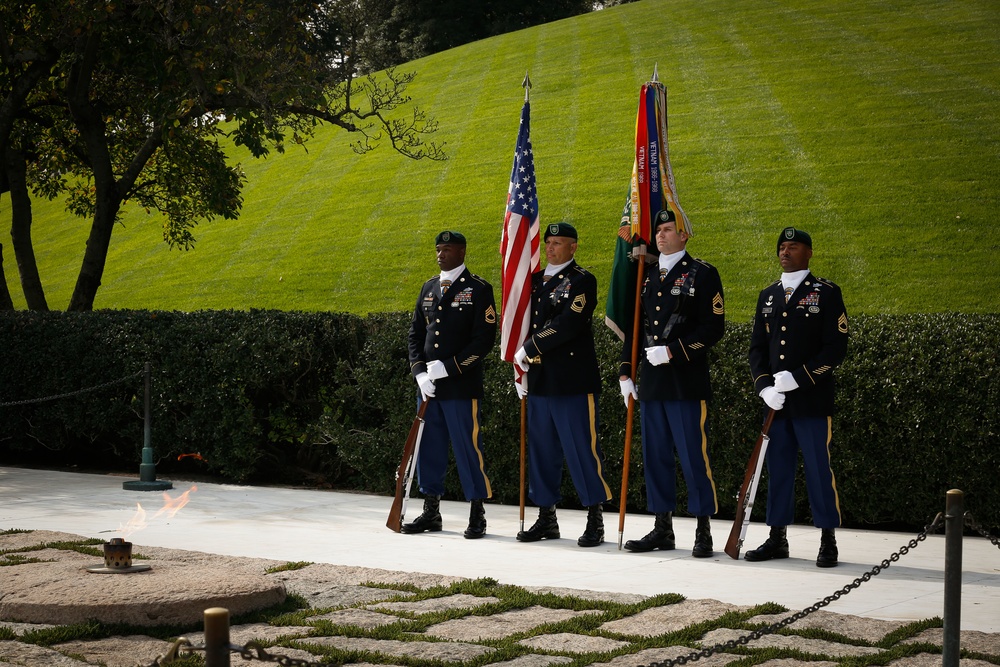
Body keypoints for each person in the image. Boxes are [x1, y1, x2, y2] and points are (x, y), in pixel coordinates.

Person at [618, 209, 725, 558]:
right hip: (651, 383)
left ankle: (703, 527)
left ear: (684, 235)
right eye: (658, 230)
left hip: (684, 381)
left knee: (694, 456)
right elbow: (634, 327)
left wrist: (675, 351)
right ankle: (662, 527)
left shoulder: (703, 274)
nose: (661, 236)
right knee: (656, 457)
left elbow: (712, 328)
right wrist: (625, 372)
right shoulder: (644, 275)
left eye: (668, 230)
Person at [746, 227, 849, 567]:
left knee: (819, 469)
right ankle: (777, 538)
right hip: (777, 403)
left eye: (793, 247)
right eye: (782, 247)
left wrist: (800, 378)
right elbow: (757, 349)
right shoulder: (769, 295)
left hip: (811, 400)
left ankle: (828, 538)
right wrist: (764, 386)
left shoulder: (826, 293)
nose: (785, 252)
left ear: (809, 253)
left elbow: (836, 348)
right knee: (779, 469)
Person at [513, 222, 612, 547]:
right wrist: (522, 367)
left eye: (559, 243)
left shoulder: (582, 280)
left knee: (582, 450)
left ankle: (594, 517)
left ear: (574, 247)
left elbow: (568, 323)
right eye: (549, 242)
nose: (552, 248)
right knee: (542, 452)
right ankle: (546, 517)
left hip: (571, 381)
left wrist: (530, 347)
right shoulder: (533, 281)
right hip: (540, 380)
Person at [404, 230, 498, 539]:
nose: (440, 254)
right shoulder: (429, 287)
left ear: (462, 252)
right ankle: (431, 510)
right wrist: (419, 373)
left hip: (461, 386)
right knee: (428, 449)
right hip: (430, 388)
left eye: (447, 249)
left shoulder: (478, 288)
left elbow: (483, 340)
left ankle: (477, 512)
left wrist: (449, 368)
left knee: (468, 448)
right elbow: (416, 335)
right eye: (438, 249)